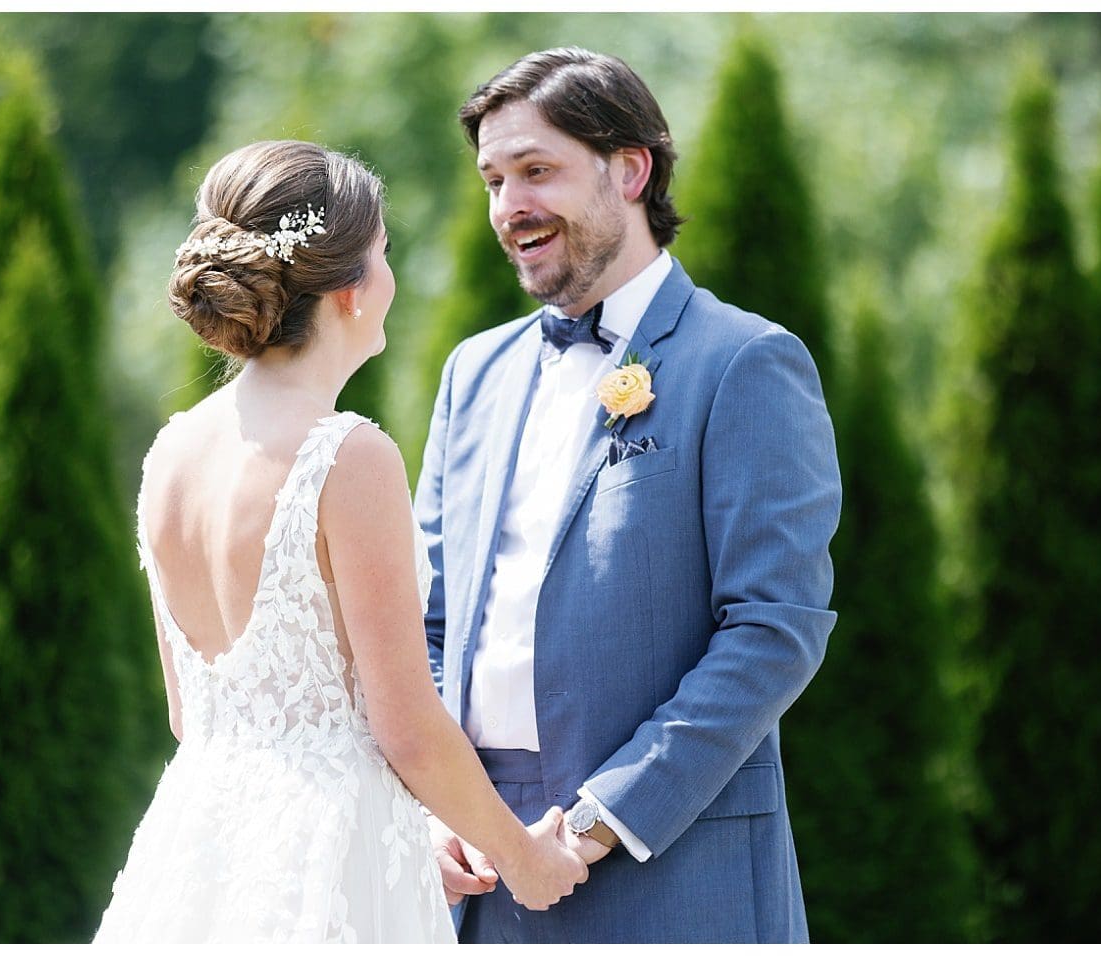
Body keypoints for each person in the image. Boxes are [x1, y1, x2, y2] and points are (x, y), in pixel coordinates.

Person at [93, 139, 588, 944]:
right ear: (351, 290)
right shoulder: (348, 456)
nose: (391, 278)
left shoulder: (170, 454)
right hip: (327, 856)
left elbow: (190, 714)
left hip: (198, 844)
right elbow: (408, 727)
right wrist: (523, 859)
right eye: (385, 254)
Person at [418, 48, 840, 943]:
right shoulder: (473, 373)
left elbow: (775, 629)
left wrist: (597, 821)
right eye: (494, 179)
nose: (509, 207)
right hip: (476, 873)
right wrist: (433, 808)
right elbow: (432, 623)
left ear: (631, 169)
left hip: (674, 864)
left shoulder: (747, 362)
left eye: (537, 171)